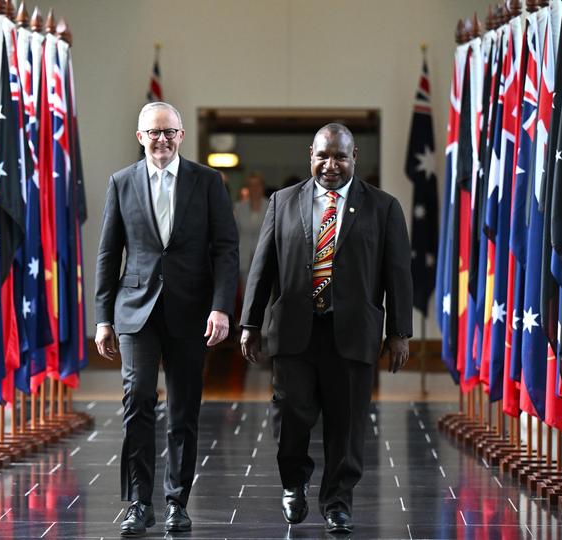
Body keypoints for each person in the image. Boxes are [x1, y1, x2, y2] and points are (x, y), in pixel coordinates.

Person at [240, 123, 412, 534]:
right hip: (295, 331)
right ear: (310, 155)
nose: (330, 164)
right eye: (323, 155)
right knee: (292, 416)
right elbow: (263, 267)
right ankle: (294, 483)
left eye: (339, 156)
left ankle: (337, 503)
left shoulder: (383, 207)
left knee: (347, 423)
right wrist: (250, 322)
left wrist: (399, 331)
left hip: (352, 332)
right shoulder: (283, 201)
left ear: (355, 158)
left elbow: (398, 272)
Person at [94, 102, 238, 536]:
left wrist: (221, 306)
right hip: (135, 310)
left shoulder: (208, 182)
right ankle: (139, 502)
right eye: (153, 133)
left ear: (181, 135)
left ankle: (177, 500)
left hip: (192, 311)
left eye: (169, 132)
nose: (162, 140)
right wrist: (102, 318)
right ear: (140, 137)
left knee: (182, 410)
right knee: (137, 401)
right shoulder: (121, 183)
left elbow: (226, 250)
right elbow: (107, 253)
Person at [234, 172, 269, 295]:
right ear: (247, 188)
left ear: (262, 187)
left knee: (265, 294)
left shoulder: (270, 205)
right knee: (246, 295)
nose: (254, 189)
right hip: (245, 257)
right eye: (251, 185)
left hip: (264, 257)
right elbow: (234, 234)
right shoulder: (238, 208)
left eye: (257, 185)